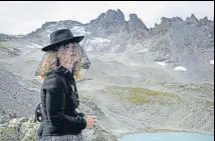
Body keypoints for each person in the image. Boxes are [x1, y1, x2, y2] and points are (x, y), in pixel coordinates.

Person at [36, 29, 96, 141]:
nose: (72, 51)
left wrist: (81, 117)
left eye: (73, 47)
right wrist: (83, 123)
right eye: (66, 47)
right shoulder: (56, 79)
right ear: (56, 52)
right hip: (58, 137)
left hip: (65, 136)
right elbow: (55, 118)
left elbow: (67, 110)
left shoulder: (66, 77)